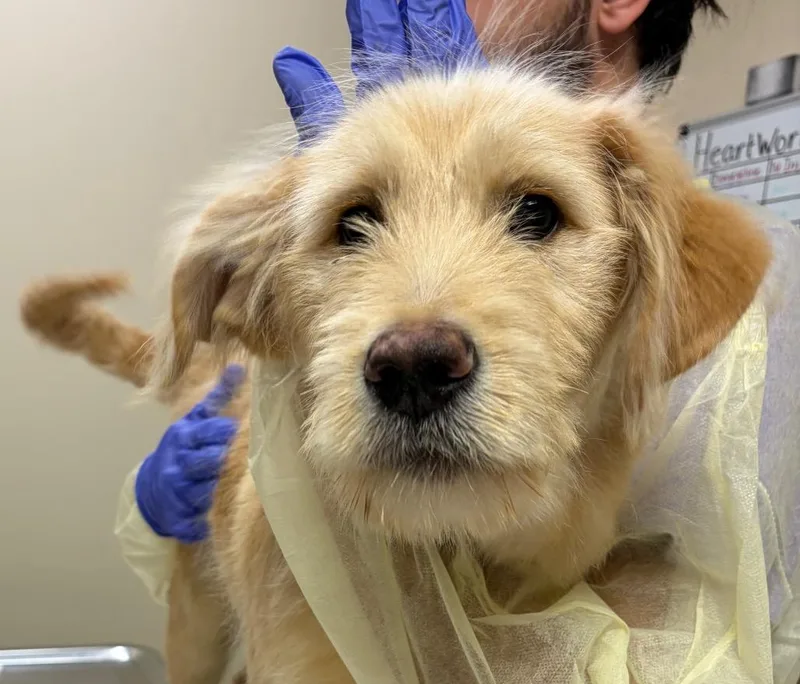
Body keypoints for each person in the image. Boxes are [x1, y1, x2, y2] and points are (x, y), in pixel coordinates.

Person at [116, 0, 725, 605]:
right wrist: (145, 506)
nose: (415, 352)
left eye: (535, 215)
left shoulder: (753, 362)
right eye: (354, 226)